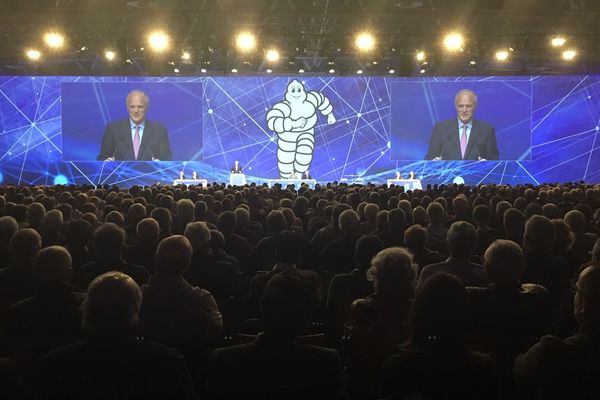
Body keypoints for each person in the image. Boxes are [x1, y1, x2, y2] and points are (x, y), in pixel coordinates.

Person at [97, 90, 172, 161]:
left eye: (140, 107)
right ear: (127, 107)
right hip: (120, 174)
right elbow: (102, 158)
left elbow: (167, 160)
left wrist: (161, 165)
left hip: (149, 174)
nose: (136, 111)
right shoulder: (113, 129)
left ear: (147, 107)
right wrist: (106, 163)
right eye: (132, 107)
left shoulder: (159, 130)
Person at [425, 89, 499, 160]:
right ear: (456, 106)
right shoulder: (440, 129)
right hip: (448, 172)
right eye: (460, 106)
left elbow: (494, 160)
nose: (464, 110)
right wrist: (434, 162)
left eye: (468, 106)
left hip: (476, 172)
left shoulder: (487, 130)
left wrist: (487, 164)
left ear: (475, 107)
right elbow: (429, 158)